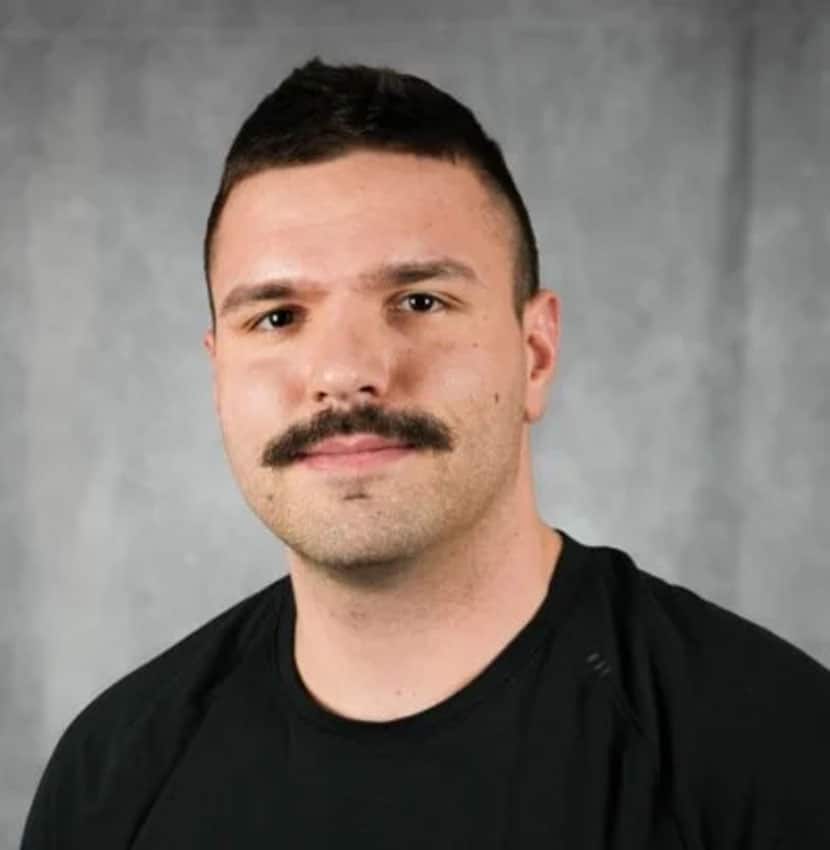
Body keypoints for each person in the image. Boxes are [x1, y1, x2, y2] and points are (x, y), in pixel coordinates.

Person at [21, 58, 830, 849]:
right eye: (277, 317)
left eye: (419, 300)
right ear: (218, 373)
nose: (345, 372)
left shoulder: (774, 751)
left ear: (536, 354)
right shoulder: (110, 780)